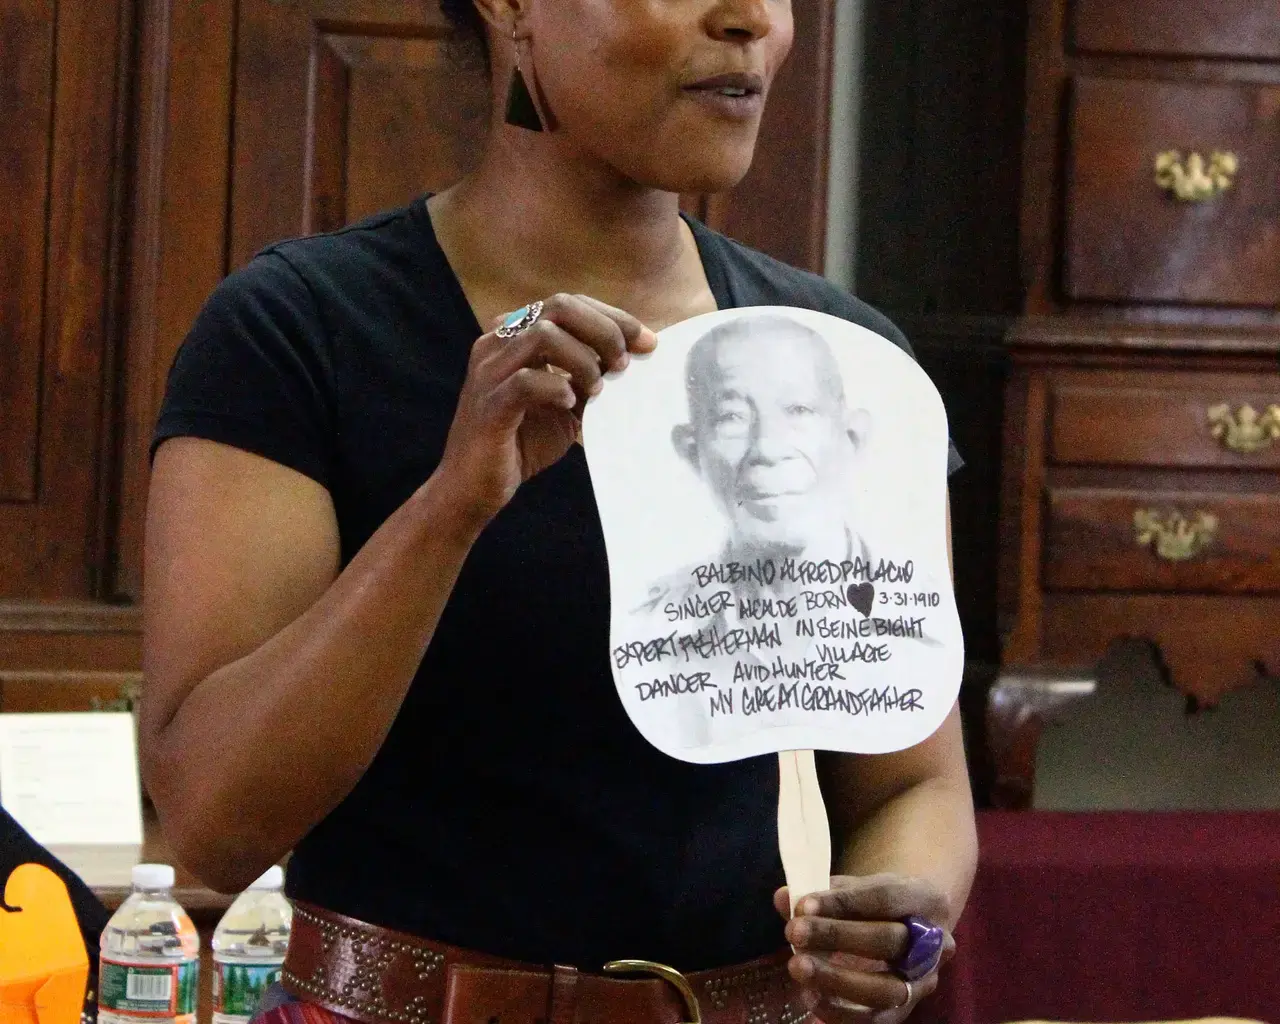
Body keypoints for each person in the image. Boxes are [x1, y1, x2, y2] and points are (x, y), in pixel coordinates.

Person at [139, 0, 978, 1019]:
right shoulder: (296, 331)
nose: (751, 19)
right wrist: (450, 504)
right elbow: (213, 822)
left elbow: (908, 784)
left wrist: (899, 915)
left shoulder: (840, 362)